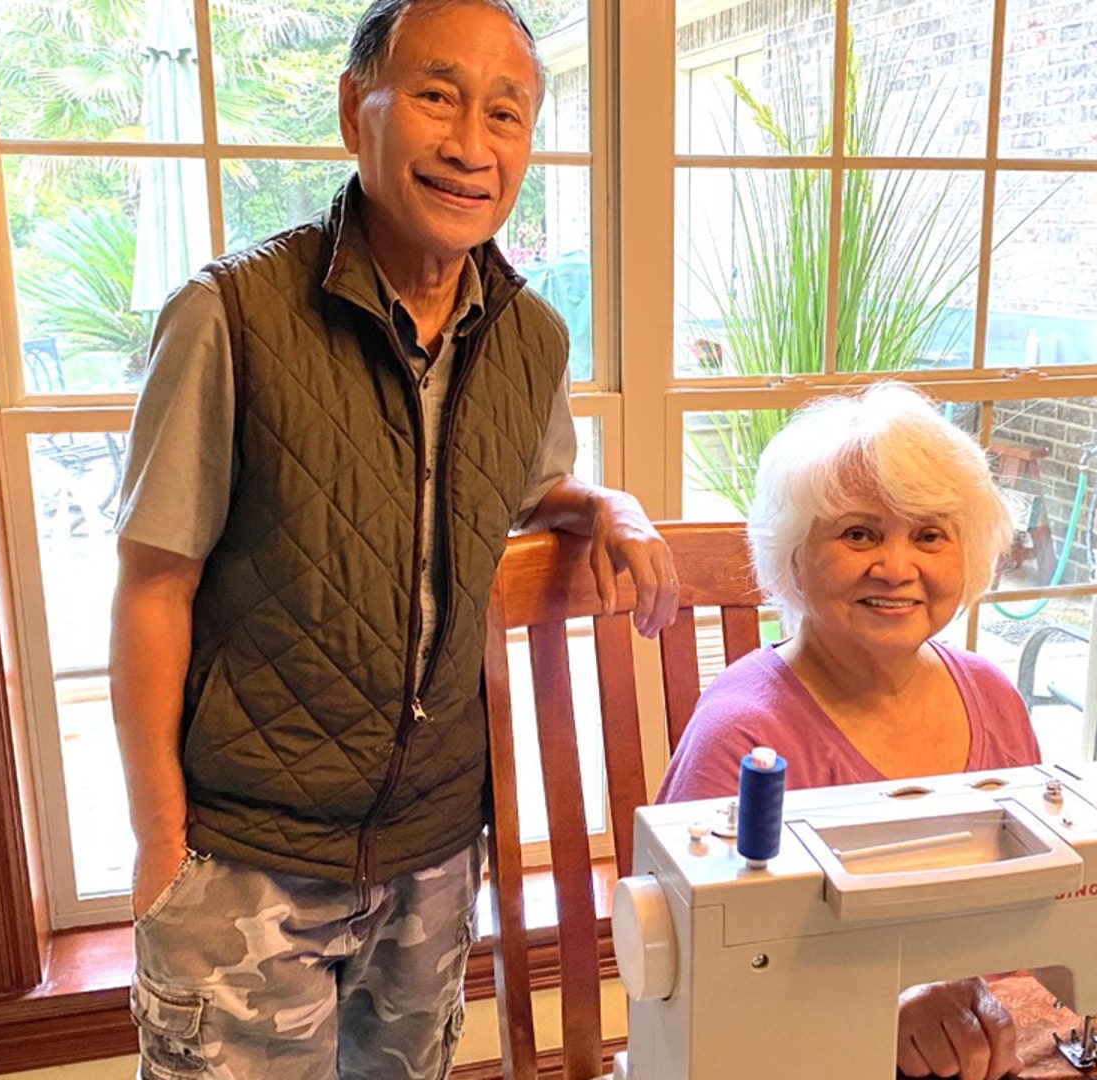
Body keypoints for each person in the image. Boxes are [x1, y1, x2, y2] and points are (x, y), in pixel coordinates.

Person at [109, 3, 678, 1078]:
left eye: (506, 113)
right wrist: (159, 849)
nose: (472, 144)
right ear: (352, 109)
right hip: (246, 857)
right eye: (436, 95)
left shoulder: (529, 334)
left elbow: (527, 485)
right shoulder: (229, 317)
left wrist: (604, 507)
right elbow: (152, 587)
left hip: (429, 857)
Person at [656, 383, 1039, 1080]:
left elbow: (1029, 925)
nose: (897, 568)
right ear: (794, 556)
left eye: (929, 535)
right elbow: (693, 983)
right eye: (859, 533)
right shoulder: (744, 736)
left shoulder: (995, 701)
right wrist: (879, 1012)